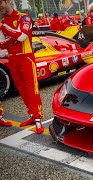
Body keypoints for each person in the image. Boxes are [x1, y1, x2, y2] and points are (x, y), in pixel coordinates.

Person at [0, 0, 44, 134]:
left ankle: (38, 119)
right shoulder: (2, 22)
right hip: (12, 59)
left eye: (0, 2)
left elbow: (22, 36)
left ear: (8, 1)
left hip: (26, 57)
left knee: (32, 88)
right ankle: (31, 115)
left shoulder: (23, 17)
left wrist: (8, 31)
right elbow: (2, 44)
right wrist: (14, 36)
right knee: (21, 89)